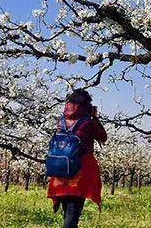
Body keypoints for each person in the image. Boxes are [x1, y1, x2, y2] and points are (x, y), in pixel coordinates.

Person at [48, 89, 107, 228]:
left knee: (67, 210)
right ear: (86, 104)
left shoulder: (61, 121)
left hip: (60, 169)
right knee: (73, 212)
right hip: (80, 171)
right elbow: (103, 137)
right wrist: (94, 118)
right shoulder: (88, 122)